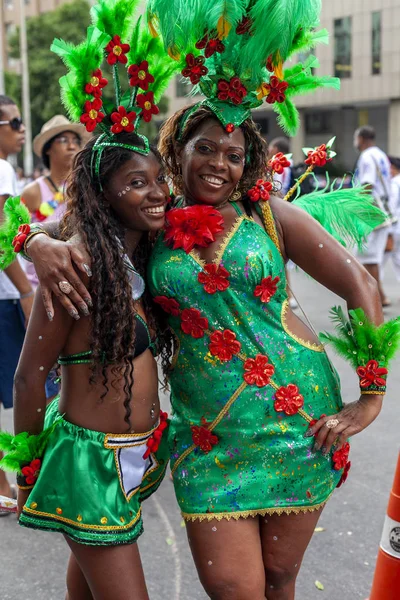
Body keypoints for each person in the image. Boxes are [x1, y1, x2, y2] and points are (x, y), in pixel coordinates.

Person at [15, 2, 397, 599]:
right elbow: (82, 218)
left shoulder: (273, 216)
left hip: (299, 422)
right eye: (205, 149)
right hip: (208, 434)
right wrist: (37, 241)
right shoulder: (151, 223)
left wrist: (370, 397)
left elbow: (363, 287)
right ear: (178, 150)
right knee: (234, 587)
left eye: (235, 153)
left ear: (248, 163)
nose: (220, 163)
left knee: (279, 579)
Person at [0, 5, 179, 598]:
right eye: (135, 183)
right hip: (86, 469)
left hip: (133, 455)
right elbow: (30, 379)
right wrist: (27, 470)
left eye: (158, 179)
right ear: (102, 196)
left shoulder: (140, 259)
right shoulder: (74, 269)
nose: (155, 193)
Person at [22, 115, 88, 399]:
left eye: (76, 140)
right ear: (48, 148)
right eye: (64, 140)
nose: (72, 146)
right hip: (41, 289)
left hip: (78, 286)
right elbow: (14, 237)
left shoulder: (83, 189)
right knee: (43, 372)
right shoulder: (34, 192)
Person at [0, 94, 32, 503]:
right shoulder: (2, 168)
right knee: (31, 386)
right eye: (14, 122)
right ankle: (23, 484)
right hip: (5, 299)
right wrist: (26, 291)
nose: (21, 128)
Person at [354, 125, 393, 307]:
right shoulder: (381, 154)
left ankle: (377, 298)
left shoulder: (367, 156)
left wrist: (354, 206)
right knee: (371, 259)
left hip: (372, 212)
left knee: (369, 259)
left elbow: (367, 185)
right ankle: (379, 296)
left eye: (357, 138)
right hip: (383, 210)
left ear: (362, 138)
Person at [383, 156, 400, 284]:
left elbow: (392, 206)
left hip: (395, 227)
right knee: (397, 258)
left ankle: (376, 291)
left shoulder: (394, 183)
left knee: (379, 260)